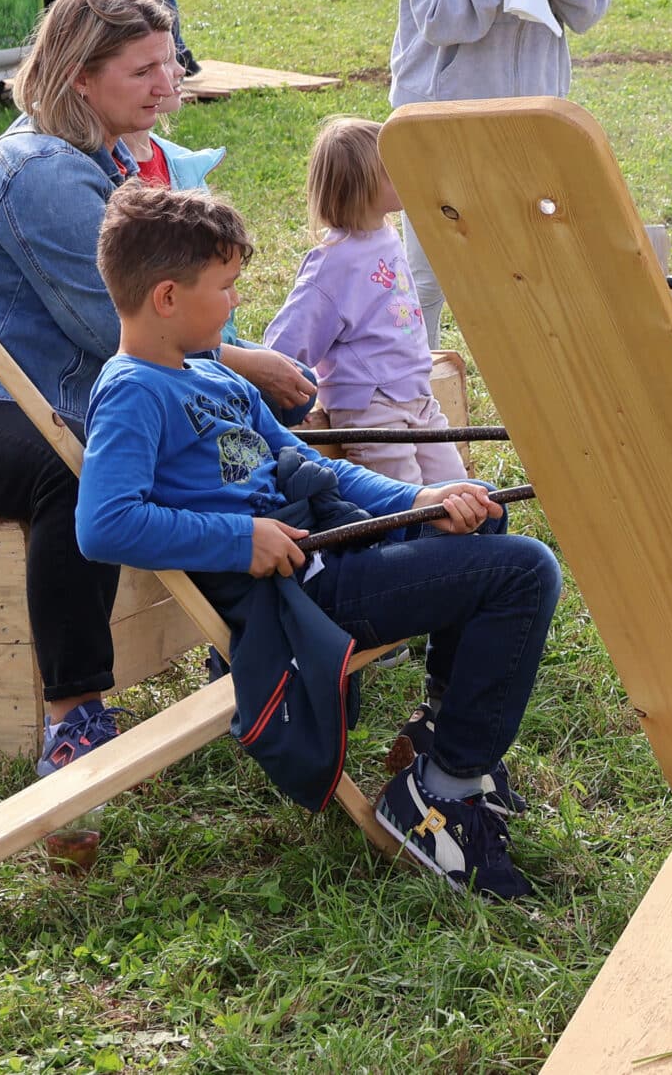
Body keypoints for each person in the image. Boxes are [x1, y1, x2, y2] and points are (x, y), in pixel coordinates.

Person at [0, 0, 317, 775]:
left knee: (206, 430)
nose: (166, 82)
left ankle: (253, 636)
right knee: (77, 468)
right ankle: (74, 714)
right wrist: (248, 366)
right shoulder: (41, 171)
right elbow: (120, 326)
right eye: (142, 69)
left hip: (41, 398)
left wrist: (239, 382)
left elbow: (166, 322)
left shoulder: (100, 158)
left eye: (168, 62)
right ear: (80, 77)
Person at [80, 187, 559, 897]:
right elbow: (104, 522)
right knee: (524, 572)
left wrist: (418, 501)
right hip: (298, 593)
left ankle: (441, 737)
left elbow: (315, 467)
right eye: (225, 287)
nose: (235, 302)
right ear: (168, 297)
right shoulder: (132, 391)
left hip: (330, 550)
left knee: (478, 511)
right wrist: (239, 537)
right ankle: (441, 794)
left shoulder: (212, 373)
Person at [390, 0, 613, 344]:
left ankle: (534, 381)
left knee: (530, 263)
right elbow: (434, 17)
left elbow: (591, 10)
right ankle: (417, 387)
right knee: (430, 273)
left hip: (530, 112)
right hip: (444, 114)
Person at [262, 117, 465, 489]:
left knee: (457, 488)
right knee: (406, 501)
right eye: (391, 169)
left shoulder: (386, 233)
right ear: (360, 186)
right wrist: (290, 397)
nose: (406, 173)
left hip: (417, 395)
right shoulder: (334, 262)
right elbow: (288, 339)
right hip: (373, 408)